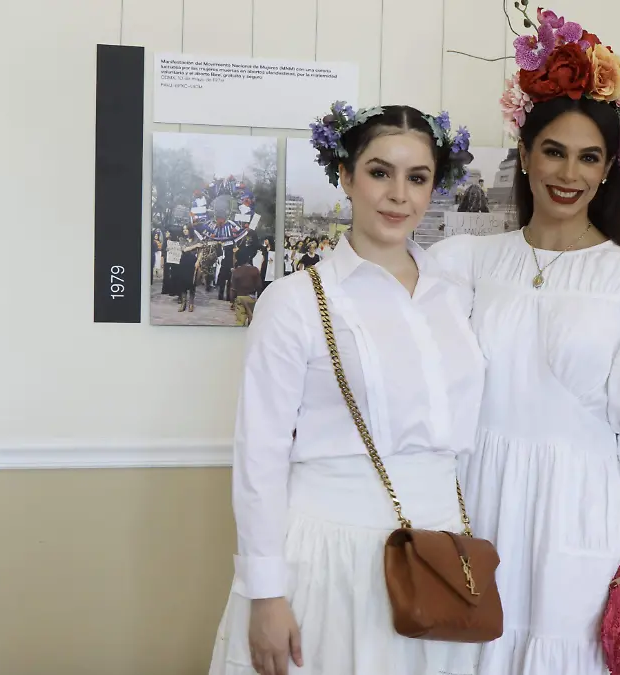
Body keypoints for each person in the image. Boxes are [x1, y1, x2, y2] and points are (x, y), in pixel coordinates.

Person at [431, 8, 620, 674]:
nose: (570, 172)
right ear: (526, 156)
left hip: (578, 511)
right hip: (476, 501)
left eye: (589, 157)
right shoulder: (467, 264)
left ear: (608, 170)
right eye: (555, 151)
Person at [207, 102, 484, 675]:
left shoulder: (455, 296)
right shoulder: (294, 302)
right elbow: (259, 454)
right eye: (380, 172)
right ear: (345, 176)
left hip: (439, 555)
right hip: (329, 553)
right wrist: (265, 591)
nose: (398, 195)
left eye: (417, 177)